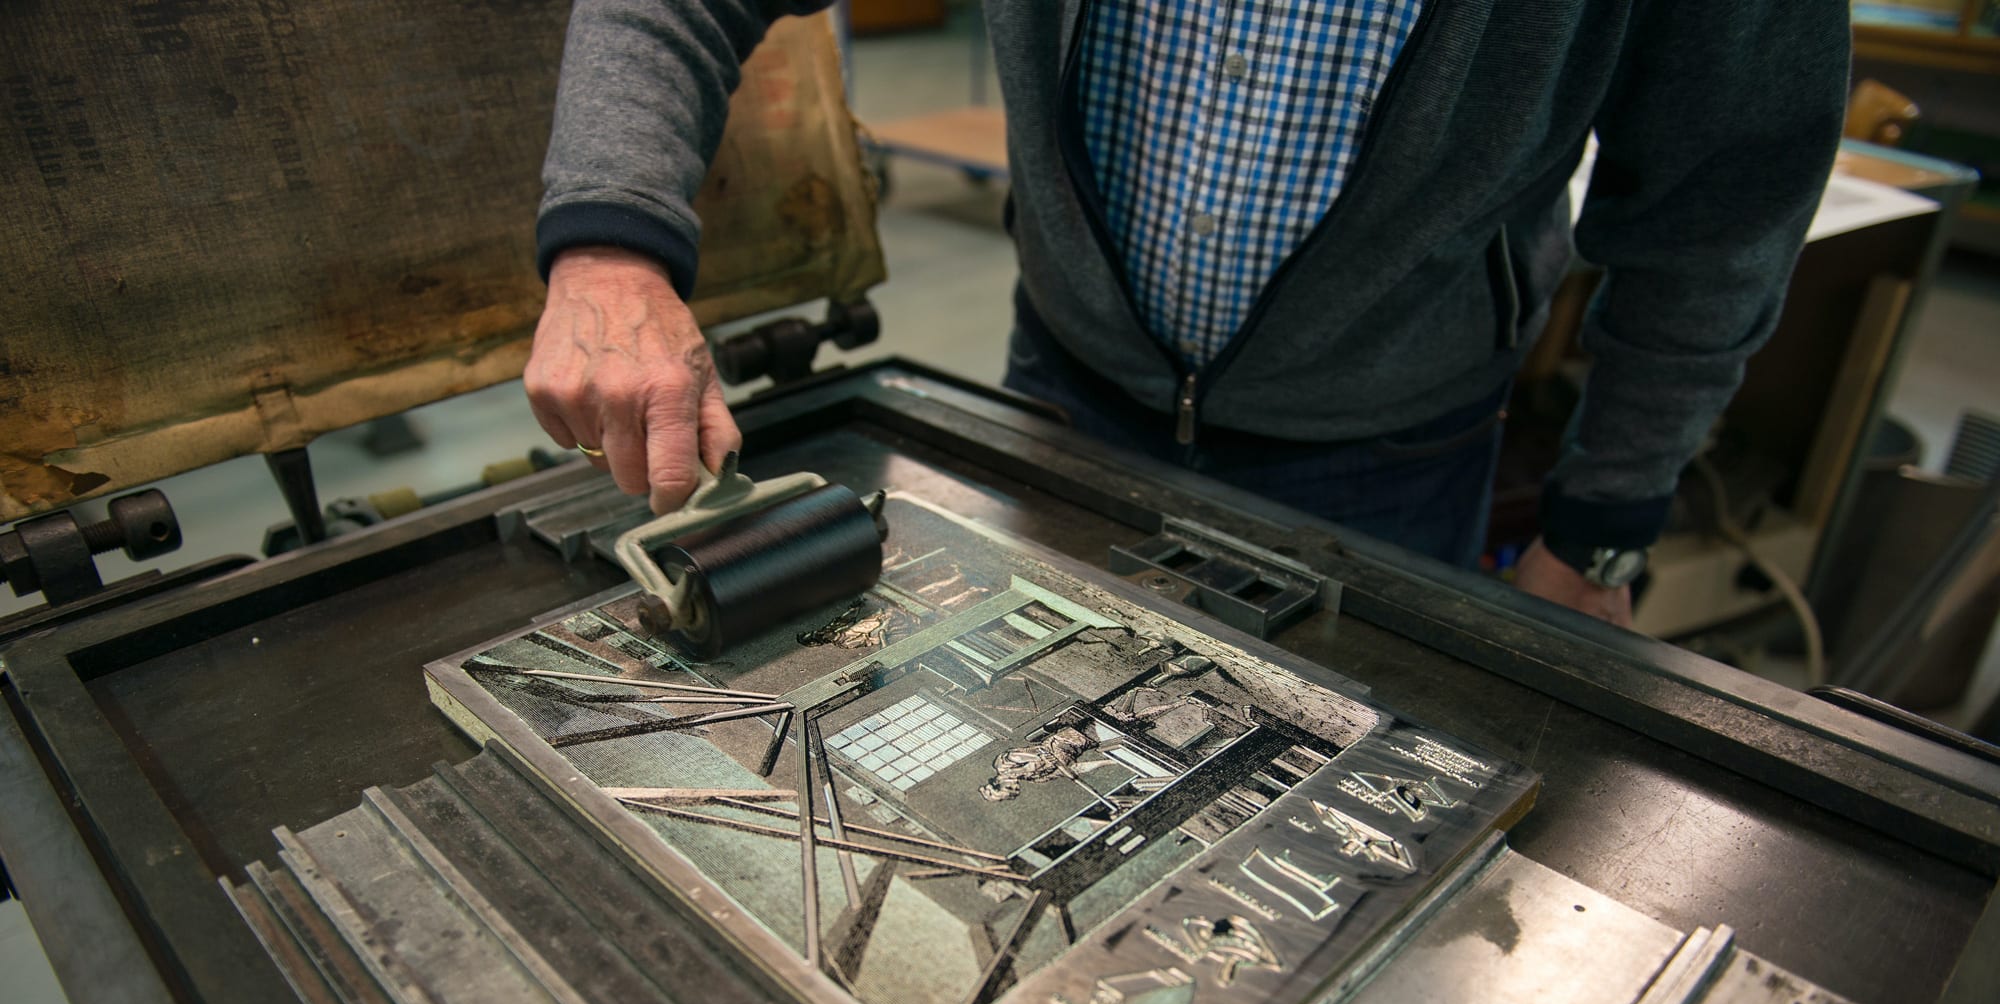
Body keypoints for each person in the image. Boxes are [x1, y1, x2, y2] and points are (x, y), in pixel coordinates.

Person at [523, 1, 1850, 628]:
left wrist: (1601, 535)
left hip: (1386, 459)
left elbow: (1720, 207)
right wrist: (608, 242)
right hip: (1064, 404)